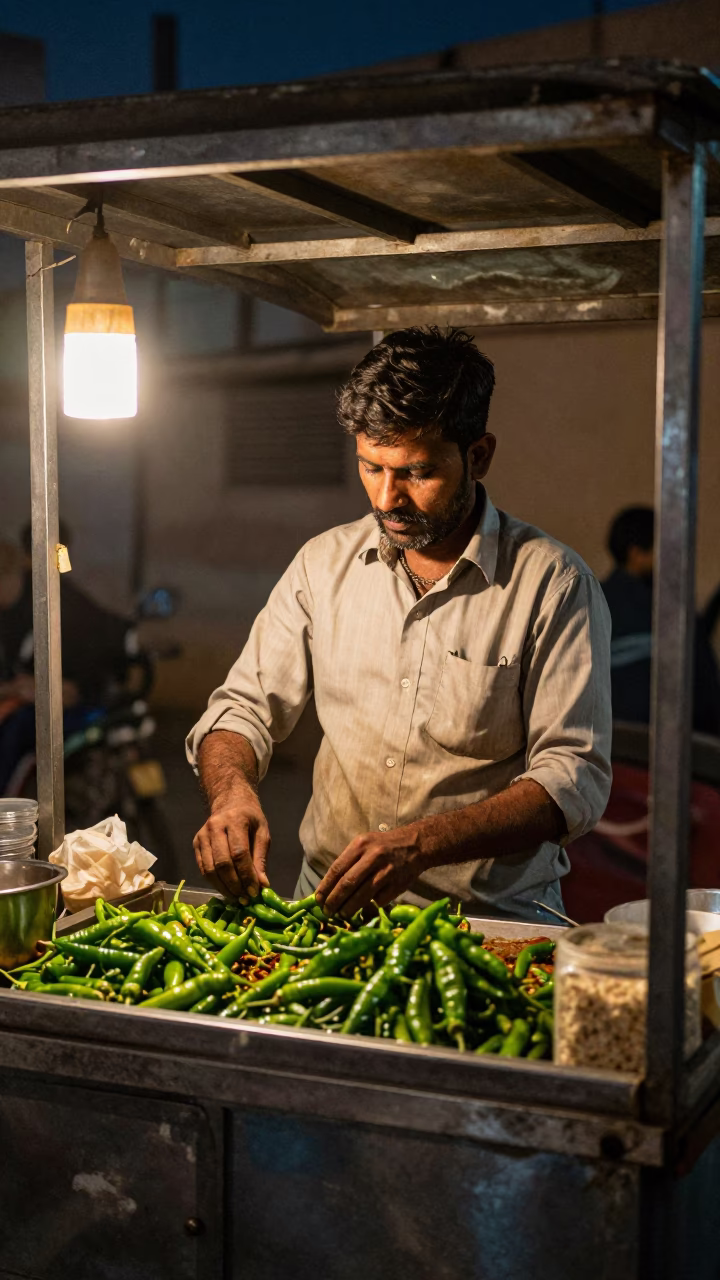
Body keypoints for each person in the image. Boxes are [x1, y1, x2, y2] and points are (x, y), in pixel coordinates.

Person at [187, 327, 612, 922]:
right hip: (329, 909)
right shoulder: (322, 566)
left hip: (486, 920)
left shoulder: (553, 586)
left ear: (478, 456)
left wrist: (423, 844)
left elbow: (572, 775)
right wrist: (232, 791)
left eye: (417, 472)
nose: (388, 498)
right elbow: (241, 708)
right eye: (371, 467)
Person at [0, 520, 132, 793]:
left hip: (72, 702)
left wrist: (67, 687)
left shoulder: (65, 598)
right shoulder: (30, 602)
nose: (58, 562)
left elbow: (97, 645)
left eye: (60, 551)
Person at [602, 506, 720, 735]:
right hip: (660, 742)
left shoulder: (596, 600)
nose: (672, 558)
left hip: (608, 743)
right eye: (663, 548)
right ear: (636, 553)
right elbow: (703, 687)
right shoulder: (666, 607)